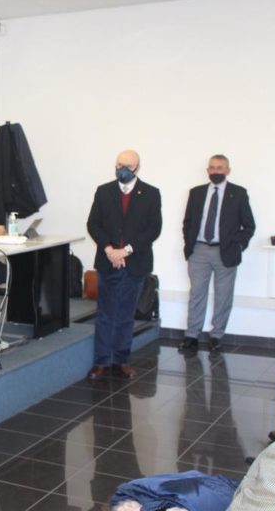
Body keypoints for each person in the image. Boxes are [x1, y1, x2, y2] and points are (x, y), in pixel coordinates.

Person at [86, 150, 162, 380]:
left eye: (128, 166)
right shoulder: (104, 191)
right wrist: (109, 249)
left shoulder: (151, 193)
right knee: (105, 314)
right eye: (119, 165)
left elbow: (153, 229)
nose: (123, 170)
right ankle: (101, 362)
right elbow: (93, 224)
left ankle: (121, 360)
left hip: (134, 262)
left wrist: (126, 250)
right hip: (108, 261)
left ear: (137, 168)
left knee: (126, 314)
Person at [180, 154, 255, 352]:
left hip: (226, 251)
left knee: (223, 296)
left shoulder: (238, 193)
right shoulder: (196, 193)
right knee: (197, 293)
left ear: (228, 171)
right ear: (207, 170)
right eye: (212, 168)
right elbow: (188, 222)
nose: (216, 171)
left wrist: (238, 245)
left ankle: (216, 336)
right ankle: (191, 336)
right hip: (199, 251)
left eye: (220, 168)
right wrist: (189, 243)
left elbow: (249, 226)